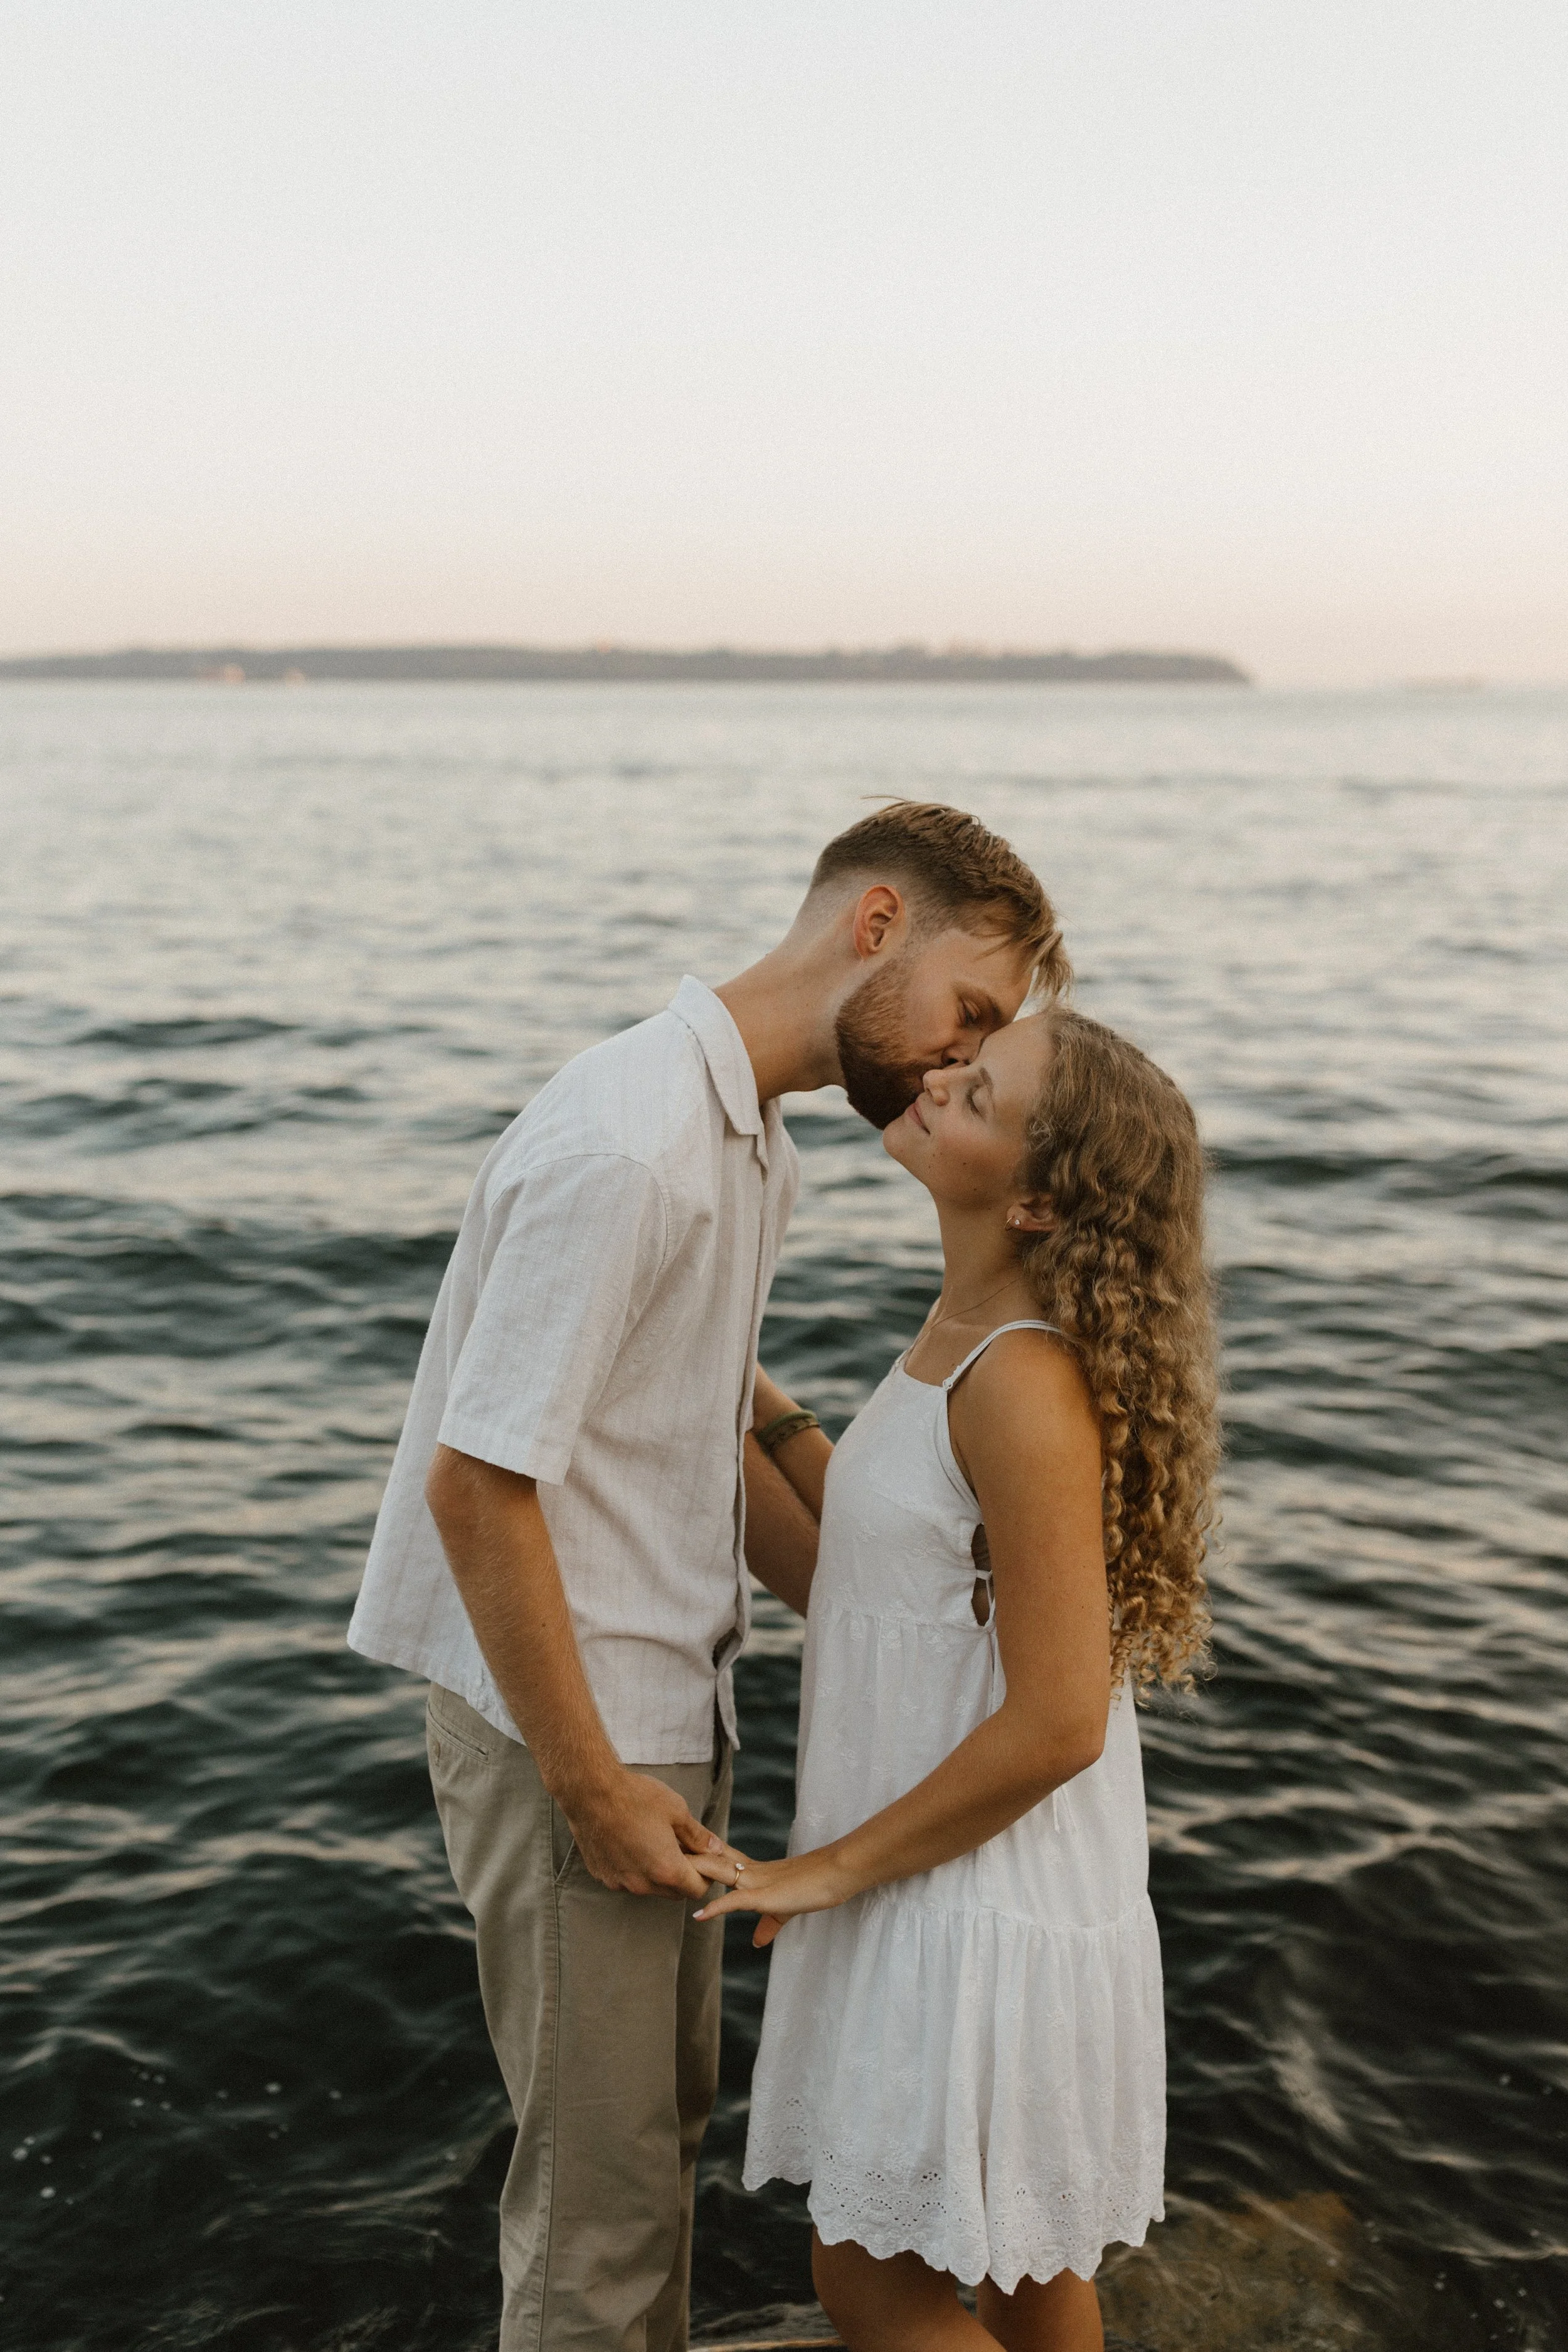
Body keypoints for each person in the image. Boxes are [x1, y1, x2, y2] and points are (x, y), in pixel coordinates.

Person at [346, 801, 1068, 2352]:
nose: (957, 1063)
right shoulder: (635, 1144)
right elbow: (477, 1485)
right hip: (579, 1723)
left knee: (649, 2140)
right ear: (874, 924)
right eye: (969, 1013)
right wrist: (591, 1782)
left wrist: (934, 1634)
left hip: (659, 1704)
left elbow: (690, 1448)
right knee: (598, 2209)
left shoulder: (750, 1144)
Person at [695, 1007, 1220, 2352]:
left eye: (975, 1092)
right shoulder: (966, 1330)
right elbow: (882, 1558)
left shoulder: (1020, 1380)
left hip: (975, 1897)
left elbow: (1057, 1724)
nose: (933, 1081)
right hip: (955, 1879)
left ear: (1038, 1199)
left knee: (873, 2285)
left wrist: (828, 1871)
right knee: (1033, 2276)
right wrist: (743, 1392)